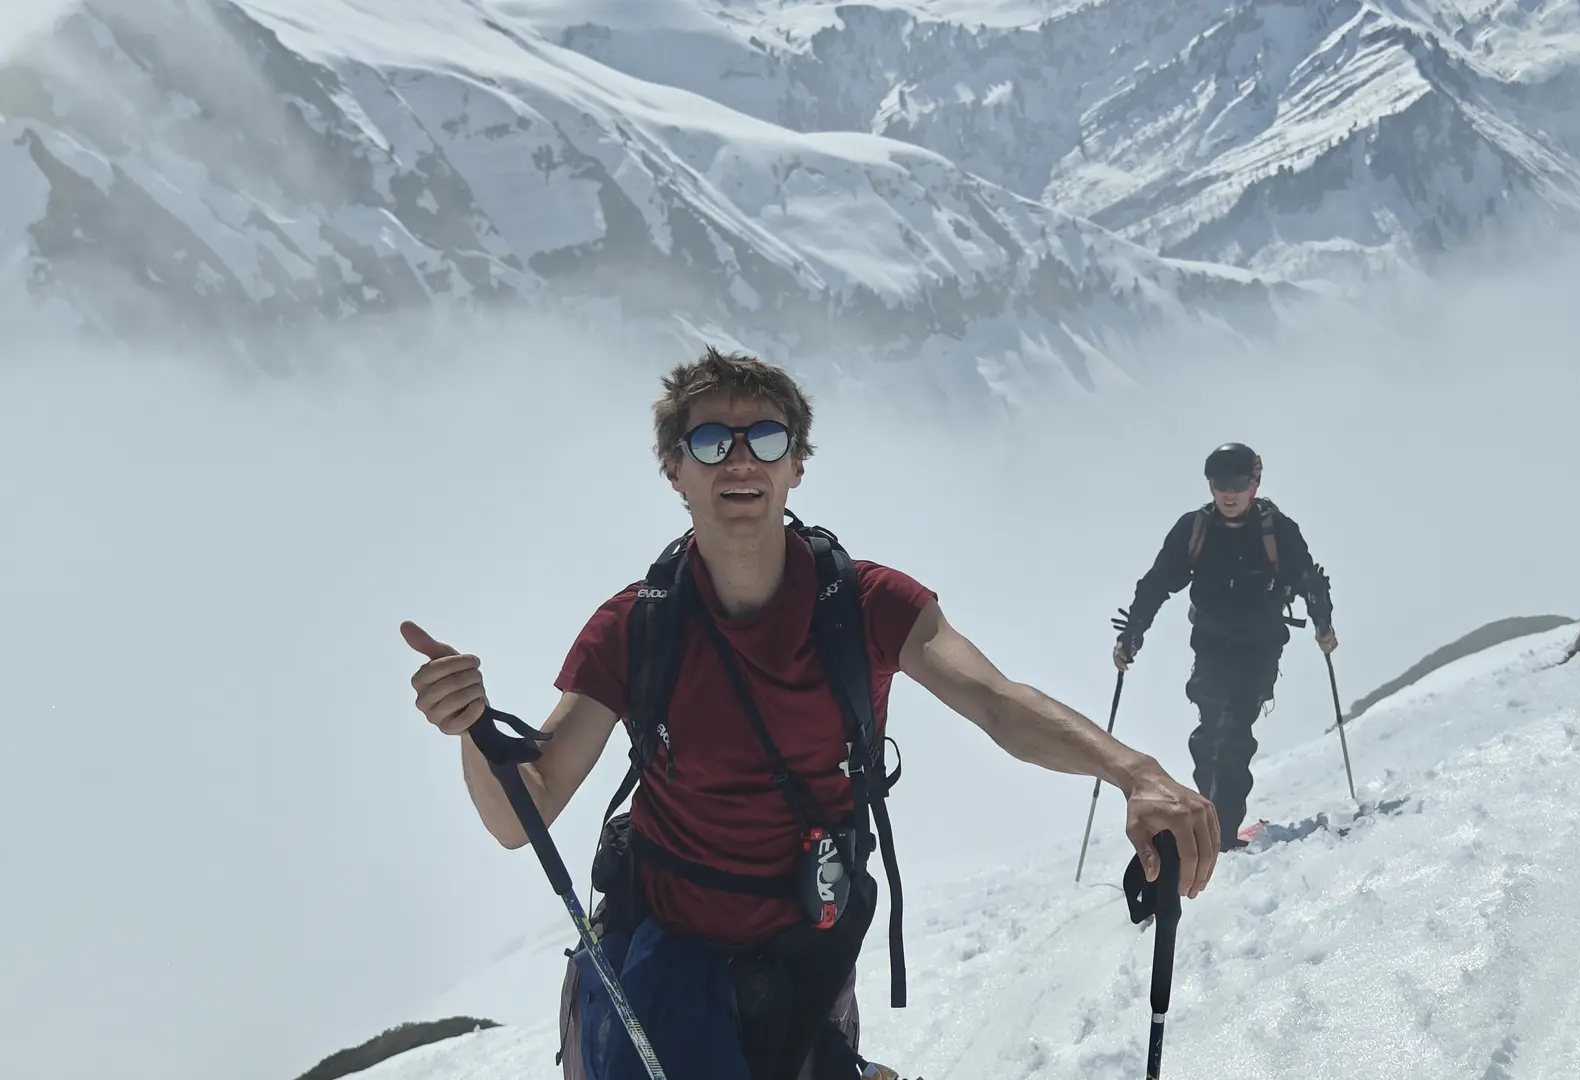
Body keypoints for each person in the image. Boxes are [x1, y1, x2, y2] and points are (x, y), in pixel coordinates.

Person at [401, 346, 1219, 1080]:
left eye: (764, 437)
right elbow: (526, 810)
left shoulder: (864, 604)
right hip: (671, 956)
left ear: (797, 464)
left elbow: (997, 701)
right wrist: (472, 728)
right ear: (674, 470)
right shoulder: (637, 626)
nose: (739, 460)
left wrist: (1134, 771)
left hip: (808, 953)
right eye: (711, 442)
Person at [1111, 441, 1336, 852]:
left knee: (1232, 736)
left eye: (1238, 482)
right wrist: (1132, 635)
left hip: (1260, 648)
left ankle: (1220, 837)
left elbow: (1308, 579)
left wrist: (1324, 625)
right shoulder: (1195, 530)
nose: (1229, 492)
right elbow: (1158, 582)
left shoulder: (1276, 531)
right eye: (1220, 483)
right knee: (1208, 738)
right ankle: (1212, 827)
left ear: (1255, 483)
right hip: (1211, 647)